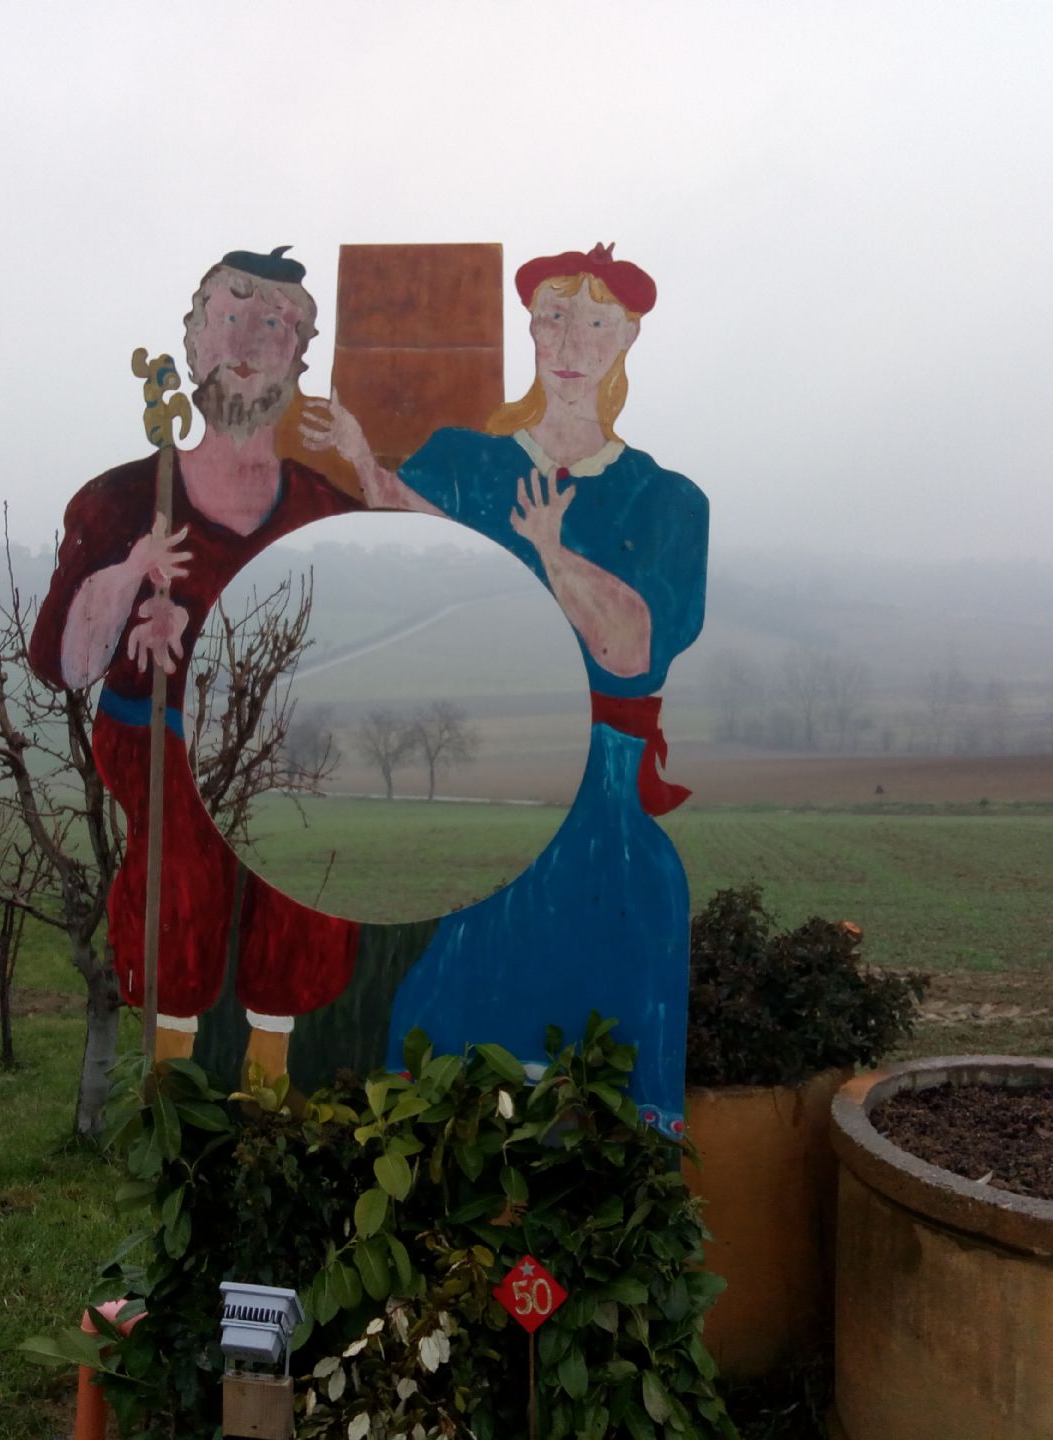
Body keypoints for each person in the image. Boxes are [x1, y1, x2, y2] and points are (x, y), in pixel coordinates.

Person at [301, 243, 709, 1134]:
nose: (572, 341)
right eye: (555, 317)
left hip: (603, 798)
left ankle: (607, 1186)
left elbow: (634, 650)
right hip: (494, 804)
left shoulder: (667, 501)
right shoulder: (467, 461)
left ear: (627, 338)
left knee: (611, 999)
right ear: (530, 327)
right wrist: (366, 465)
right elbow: (419, 535)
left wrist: (552, 554)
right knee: (449, 1009)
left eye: (596, 322)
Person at [28, 247, 364, 1076]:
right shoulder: (121, 501)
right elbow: (64, 664)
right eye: (231, 313)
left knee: (304, 894)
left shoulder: (326, 513)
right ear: (195, 339)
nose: (249, 338)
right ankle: (169, 1100)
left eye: (275, 322)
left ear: (298, 356)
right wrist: (129, 577)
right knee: (178, 890)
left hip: (283, 762)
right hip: (161, 747)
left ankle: (271, 1092)